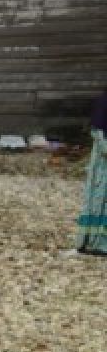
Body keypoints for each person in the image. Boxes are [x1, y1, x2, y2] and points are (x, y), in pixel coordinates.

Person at [76, 90, 107, 255]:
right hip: (104, 158)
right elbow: (97, 130)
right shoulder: (104, 101)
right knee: (101, 197)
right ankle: (95, 241)